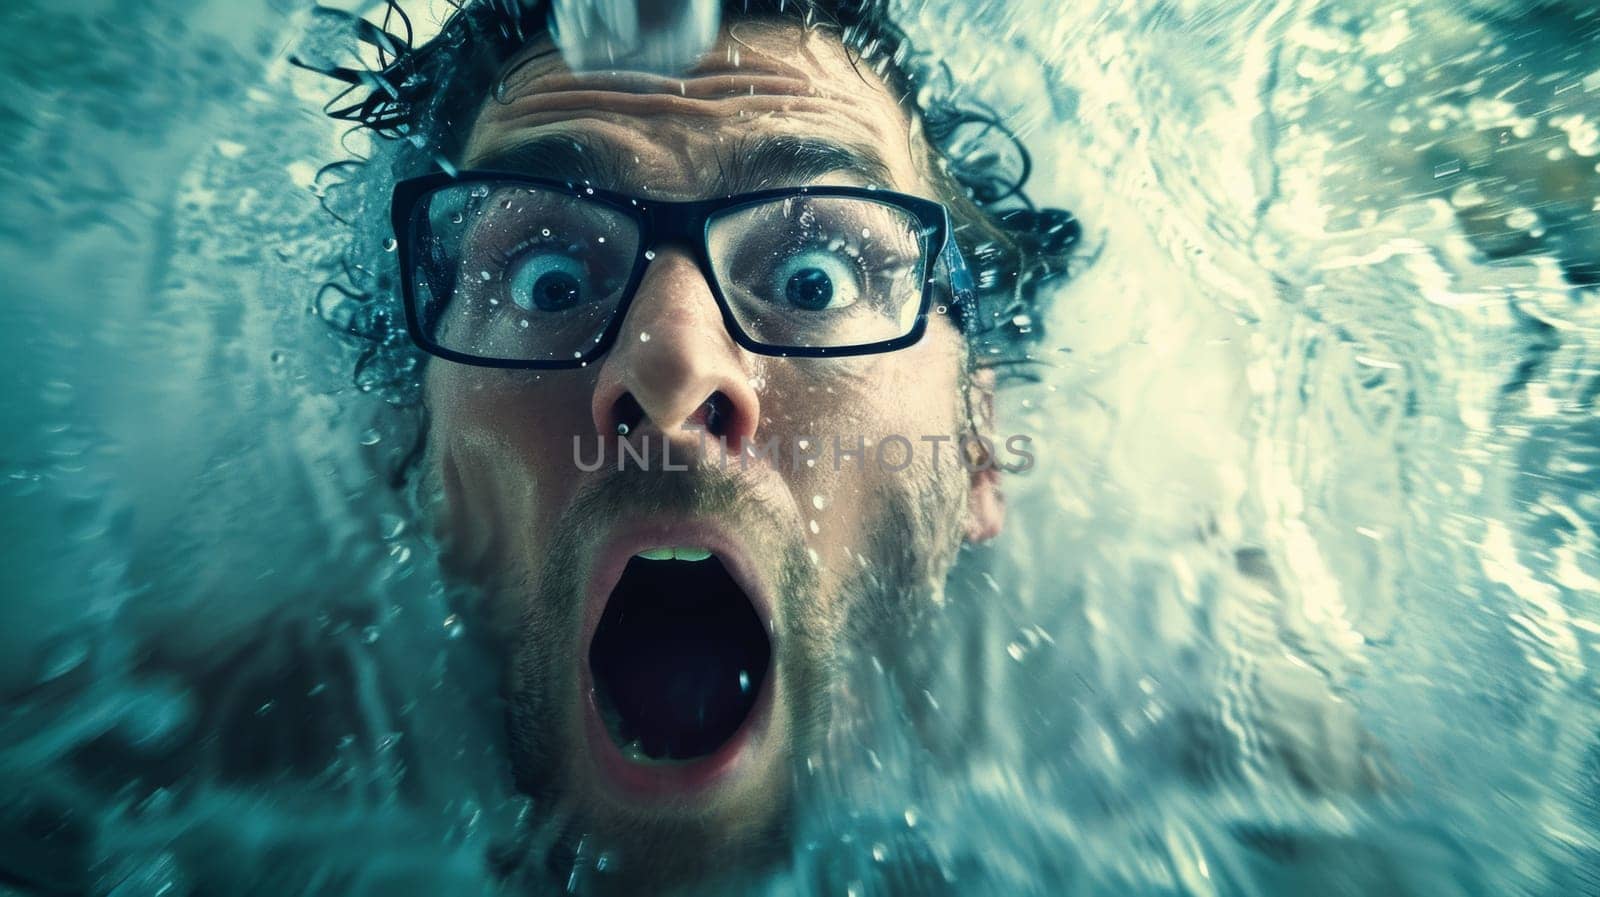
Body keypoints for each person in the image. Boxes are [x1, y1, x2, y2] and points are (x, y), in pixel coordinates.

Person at [294, 0, 1079, 890]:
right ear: (409, 451)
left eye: (813, 279)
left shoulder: (1217, 784)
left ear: (980, 447)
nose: (672, 372)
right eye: (546, 282)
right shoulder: (158, 784)